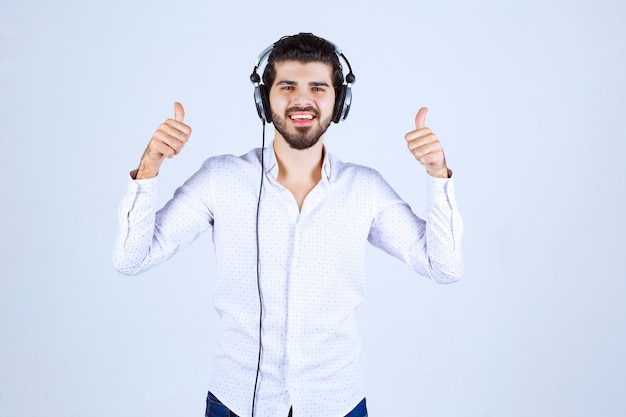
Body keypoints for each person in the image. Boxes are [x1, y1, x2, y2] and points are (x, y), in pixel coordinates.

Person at [113, 33, 463, 417]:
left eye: (317, 87)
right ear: (264, 100)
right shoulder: (221, 178)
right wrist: (149, 170)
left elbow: (443, 267)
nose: (302, 100)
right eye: (287, 86)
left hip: (337, 402)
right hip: (236, 401)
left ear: (339, 101)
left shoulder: (365, 189)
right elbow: (132, 259)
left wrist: (437, 175)